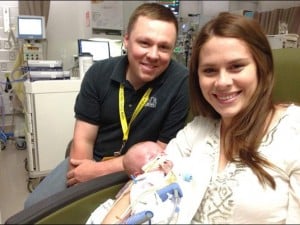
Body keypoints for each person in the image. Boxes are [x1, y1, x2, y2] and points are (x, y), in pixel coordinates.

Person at [24, 3, 189, 208]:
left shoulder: (181, 82)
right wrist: (84, 182)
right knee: (33, 208)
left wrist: (99, 171)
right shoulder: (98, 74)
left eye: (164, 47)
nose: (154, 55)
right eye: (144, 43)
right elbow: (83, 139)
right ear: (126, 40)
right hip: (92, 160)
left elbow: (160, 152)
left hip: (144, 171)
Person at [162, 12, 300, 224]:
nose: (222, 82)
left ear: (262, 68)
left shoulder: (293, 131)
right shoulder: (196, 131)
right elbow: (151, 187)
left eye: (236, 66)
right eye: (209, 70)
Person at [86, 141, 194, 224]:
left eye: (162, 152)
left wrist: (173, 174)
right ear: (138, 174)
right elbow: (129, 205)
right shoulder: (141, 183)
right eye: (152, 157)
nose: (160, 157)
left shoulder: (177, 167)